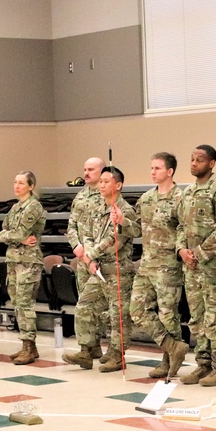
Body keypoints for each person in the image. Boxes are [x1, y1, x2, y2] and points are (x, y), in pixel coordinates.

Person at [176, 145, 216, 386]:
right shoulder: (187, 192)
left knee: (215, 318)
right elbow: (180, 226)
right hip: (191, 267)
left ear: (211, 163)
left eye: (199, 160)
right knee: (197, 319)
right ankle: (203, 365)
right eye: (191, 159)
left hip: (212, 268)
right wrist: (181, 250)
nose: (193, 163)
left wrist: (199, 254)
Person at [129, 152, 189, 378]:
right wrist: (121, 221)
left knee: (167, 314)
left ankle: (168, 360)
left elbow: (185, 229)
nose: (152, 172)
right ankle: (173, 347)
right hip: (146, 264)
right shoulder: (146, 199)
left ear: (170, 171)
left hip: (168, 266)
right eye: (151, 168)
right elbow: (136, 229)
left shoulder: (180, 198)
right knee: (136, 310)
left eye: (157, 168)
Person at [80, 166, 139, 372]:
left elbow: (116, 240)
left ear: (118, 185)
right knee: (84, 305)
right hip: (98, 268)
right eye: (101, 181)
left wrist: (92, 253)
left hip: (117, 270)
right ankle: (85, 350)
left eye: (107, 181)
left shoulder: (124, 211)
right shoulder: (97, 208)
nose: (102, 185)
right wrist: (90, 256)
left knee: (117, 315)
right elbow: (87, 233)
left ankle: (117, 354)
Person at [0, 171, 45, 365]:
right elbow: (1, 233)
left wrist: (13, 235)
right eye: (15, 182)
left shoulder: (34, 207)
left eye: (21, 183)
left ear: (31, 186)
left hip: (29, 261)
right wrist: (15, 237)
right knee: (17, 303)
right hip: (13, 260)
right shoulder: (15, 208)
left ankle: (28, 344)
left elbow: (21, 232)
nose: (16, 186)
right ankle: (31, 348)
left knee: (25, 304)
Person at [63, 157, 108, 367]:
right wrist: (76, 246)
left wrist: (92, 254)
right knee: (85, 302)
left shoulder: (106, 196)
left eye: (91, 169)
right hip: (82, 258)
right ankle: (91, 347)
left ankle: (89, 348)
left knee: (96, 306)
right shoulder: (80, 196)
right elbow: (71, 225)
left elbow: (105, 231)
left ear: (102, 172)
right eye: (85, 169)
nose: (86, 173)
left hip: (99, 259)